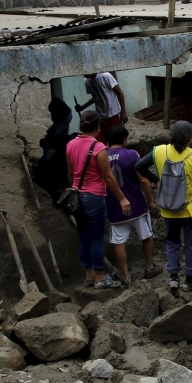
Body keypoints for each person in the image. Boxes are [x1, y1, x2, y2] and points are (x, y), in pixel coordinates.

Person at [138, 120, 192, 291]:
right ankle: (189, 280)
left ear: (171, 137)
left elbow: (139, 166)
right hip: (190, 210)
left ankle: (173, 278)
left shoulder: (159, 151)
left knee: (172, 241)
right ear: (190, 140)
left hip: (168, 208)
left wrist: (156, 180)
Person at [65, 110, 121, 289]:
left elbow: (70, 173)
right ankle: (101, 278)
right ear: (98, 128)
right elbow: (108, 177)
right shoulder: (99, 148)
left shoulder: (71, 144)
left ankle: (88, 275)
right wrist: (122, 198)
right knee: (96, 239)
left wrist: (75, 190)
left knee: (83, 238)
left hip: (77, 197)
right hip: (94, 197)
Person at [103, 124, 153, 288]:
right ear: (124, 140)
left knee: (119, 242)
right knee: (146, 236)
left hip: (114, 207)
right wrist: (151, 200)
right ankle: (149, 267)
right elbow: (143, 179)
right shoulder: (132, 154)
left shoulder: (101, 157)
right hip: (136, 204)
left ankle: (126, 276)